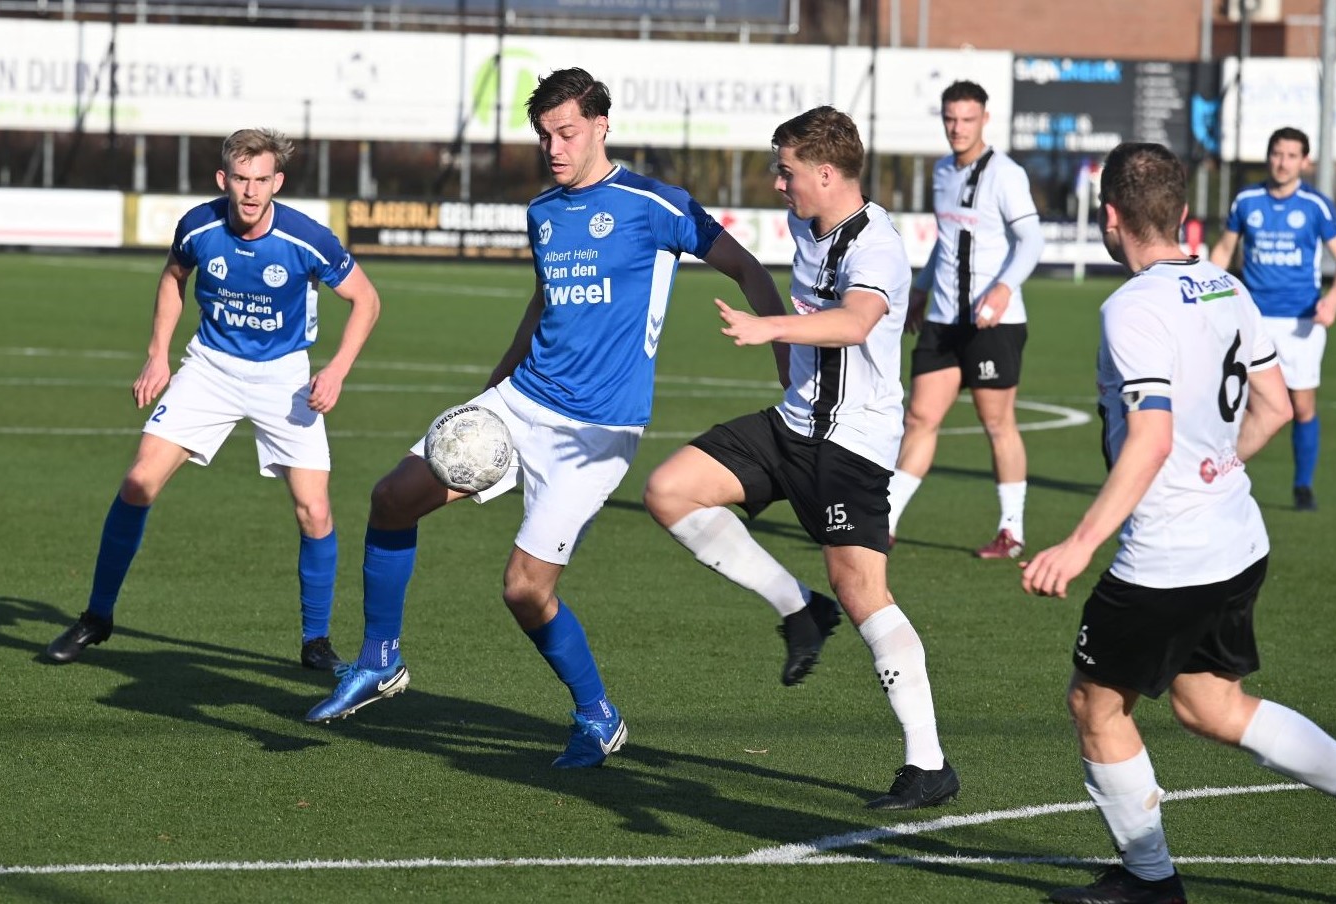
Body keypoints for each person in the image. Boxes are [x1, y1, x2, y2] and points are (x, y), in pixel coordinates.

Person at [305, 68, 787, 769]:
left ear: (600, 126)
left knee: (525, 590)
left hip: (597, 432)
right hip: (521, 400)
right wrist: (491, 390)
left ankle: (597, 716)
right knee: (392, 497)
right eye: (543, 136)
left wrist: (780, 348)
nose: (554, 148)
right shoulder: (543, 212)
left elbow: (748, 269)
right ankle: (380, 660)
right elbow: (542, 304)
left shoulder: (655, 204)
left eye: (566, 133)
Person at [1022, 142, 1336, 904]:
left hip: (1169, 557)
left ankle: (1151, 881)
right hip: (1237, 540)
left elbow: (1150, 439)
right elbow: (1275, 407)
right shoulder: (1227, 287)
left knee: (1095, 703)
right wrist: (1218, 466)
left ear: (1110, 218)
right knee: (1210, 704)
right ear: (1184, 213)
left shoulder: (1130, 307)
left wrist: (1079, 544)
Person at [643, 106, 959, 810]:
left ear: (825, 172)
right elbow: (771, 284)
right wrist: (779, 345)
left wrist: (770, 330)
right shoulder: (804, 225)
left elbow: (856, 321)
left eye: (786, 172)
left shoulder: (876, 244)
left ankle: (929, 764)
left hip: (852, 443)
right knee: (669, 490)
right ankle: (798, 608)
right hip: (792, 425)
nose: (777, 183)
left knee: (863, 591)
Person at [45, 128, 382, 671]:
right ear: (223, 178)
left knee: (314, 510)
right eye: (241, 179)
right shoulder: (198, 226)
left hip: (283, 377)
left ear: (277, 183)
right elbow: (173, 277)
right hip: (210, 368)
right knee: (138, 482)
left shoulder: (307, 239)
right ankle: (97, 616)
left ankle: (316, 641)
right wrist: (158, 355)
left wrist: (337, 370)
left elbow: (366, 300)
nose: (250, 191)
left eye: (261, 180)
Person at [886, 80, 1044, 558]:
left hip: (992, 322)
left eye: (967, 119)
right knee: (919, 417)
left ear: (984, 120)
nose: (957, 128)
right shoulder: (941, 171)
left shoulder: (1005, 174)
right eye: (950, 119)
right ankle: (883, 522)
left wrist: (1003, 288)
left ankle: (1011, 531)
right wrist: (921, 288)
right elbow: (947, 240)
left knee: (997, 423)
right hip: (942, 319)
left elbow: (1031, 241)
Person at [1210, 126, 1336, 512]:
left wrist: (1333, 299)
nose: (1282, 162)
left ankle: (1302, 486)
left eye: (1291, 156)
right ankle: (1222, 479)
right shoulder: (1247, 200)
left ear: (1305, 161)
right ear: (1268, 155)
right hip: (1251, 320)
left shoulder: (1316, 205)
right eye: (1277, 153)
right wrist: (1204, 291)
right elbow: (1223, 251)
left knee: (1301, 406)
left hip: (1300, 324)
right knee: (1236, 403)